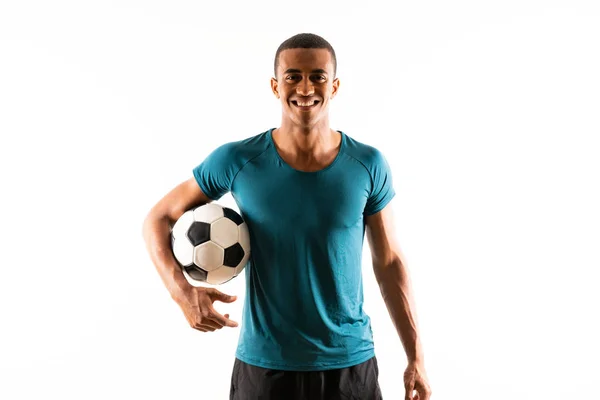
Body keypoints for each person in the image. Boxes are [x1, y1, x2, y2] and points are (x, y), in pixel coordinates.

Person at [142, 33, 431, 400]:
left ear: (335, 85)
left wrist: (416, 357)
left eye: (318, 76)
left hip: (349, 367)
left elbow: (389, 262)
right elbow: (158, 217)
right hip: (265, 368)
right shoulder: (238, 159)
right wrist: (181, 292)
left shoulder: (368, 164)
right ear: (275, 86)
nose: (305, 87)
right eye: (293, 76)